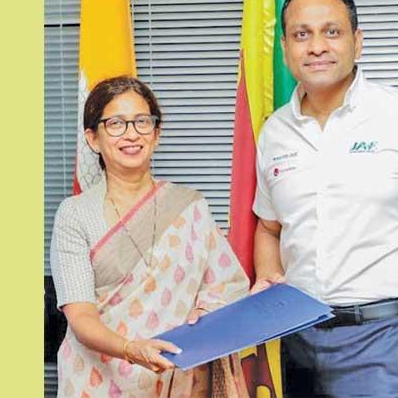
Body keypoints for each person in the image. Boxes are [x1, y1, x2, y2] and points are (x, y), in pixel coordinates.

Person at [250, 0, 398, 398]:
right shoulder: (274, 132)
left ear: (357, 40)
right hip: (297, 337)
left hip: (386, 339)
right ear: (285, 48)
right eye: (301, 34)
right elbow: (269, 227)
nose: (316, 46)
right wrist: (268, 278)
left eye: (331, 32)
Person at [50, 76, 251, 398]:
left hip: (178, 375)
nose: (131, 134)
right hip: (98, 381)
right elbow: (81, 315)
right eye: (115, 123)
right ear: (92, 138)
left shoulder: (190, 206)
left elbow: (227, 286)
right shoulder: (75, 214)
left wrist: (209, 312)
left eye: (142, 122)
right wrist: (131, 348)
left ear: (156, 134)